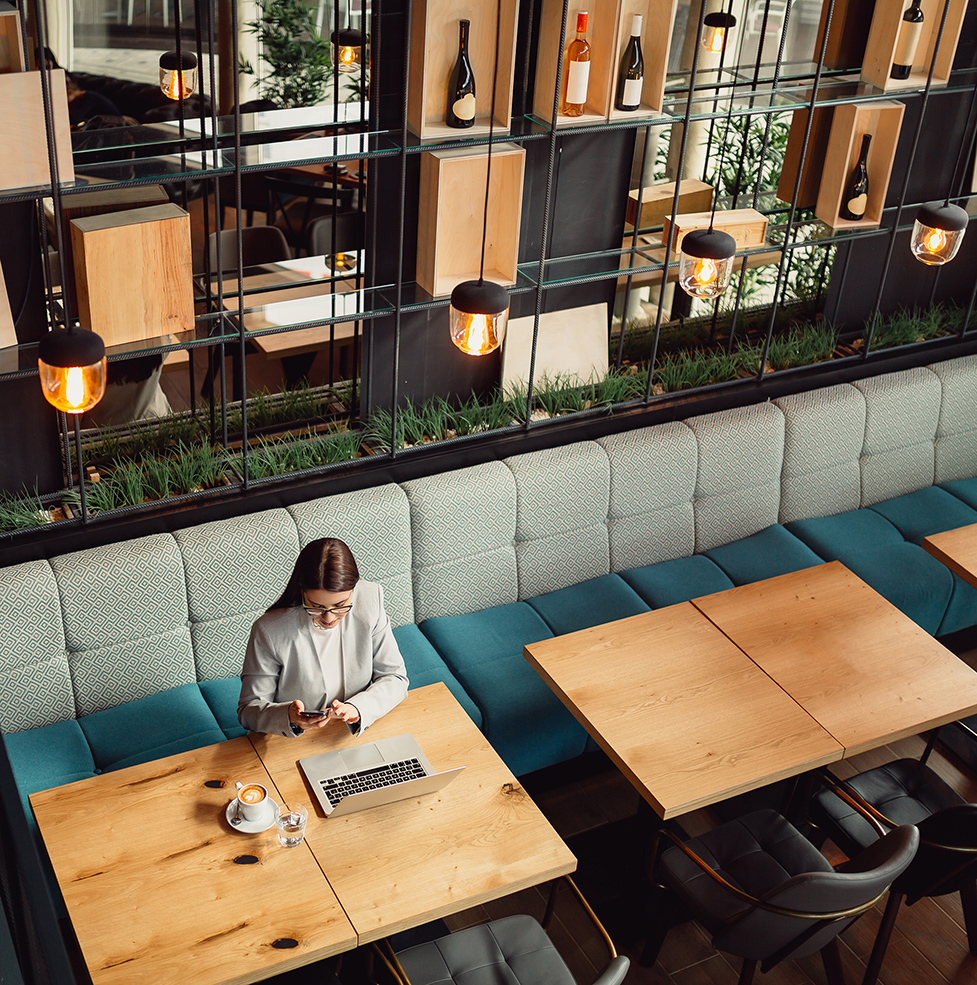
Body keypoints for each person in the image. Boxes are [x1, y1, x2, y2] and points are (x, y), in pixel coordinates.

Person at [238, 538, 408, 738]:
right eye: (316, 606)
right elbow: (249, 711)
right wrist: (289, 717)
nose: (329, 617)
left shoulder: (370, 599)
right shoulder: (269, 630)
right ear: (302, 592)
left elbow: (395, 677)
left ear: (354, 590)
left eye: (341, 605)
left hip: (351, 732)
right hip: (292, 740)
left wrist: (357, 708)